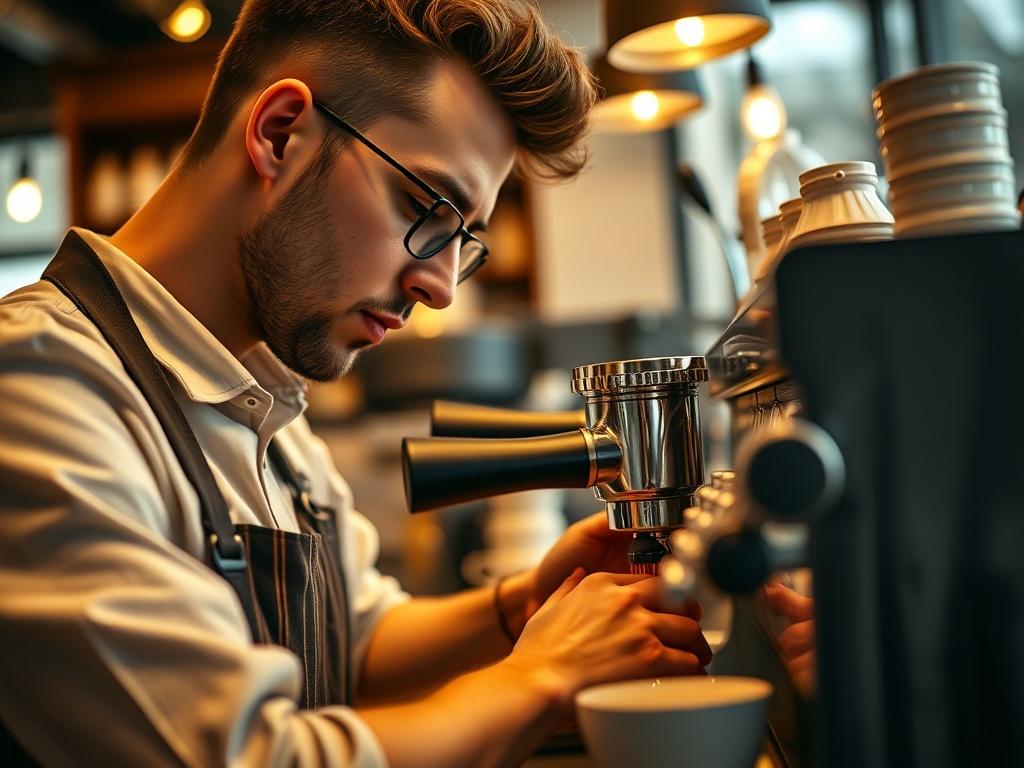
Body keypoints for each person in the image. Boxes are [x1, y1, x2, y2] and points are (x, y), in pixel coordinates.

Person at [0, 1, 714, 766]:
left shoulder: (268, 404)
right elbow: (252, 757)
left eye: (462, 241)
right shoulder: (39, 387)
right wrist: (546, 673)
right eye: (425, 208)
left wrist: (523, 607)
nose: (440, 286)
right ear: (280, 135)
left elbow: (358, 643)